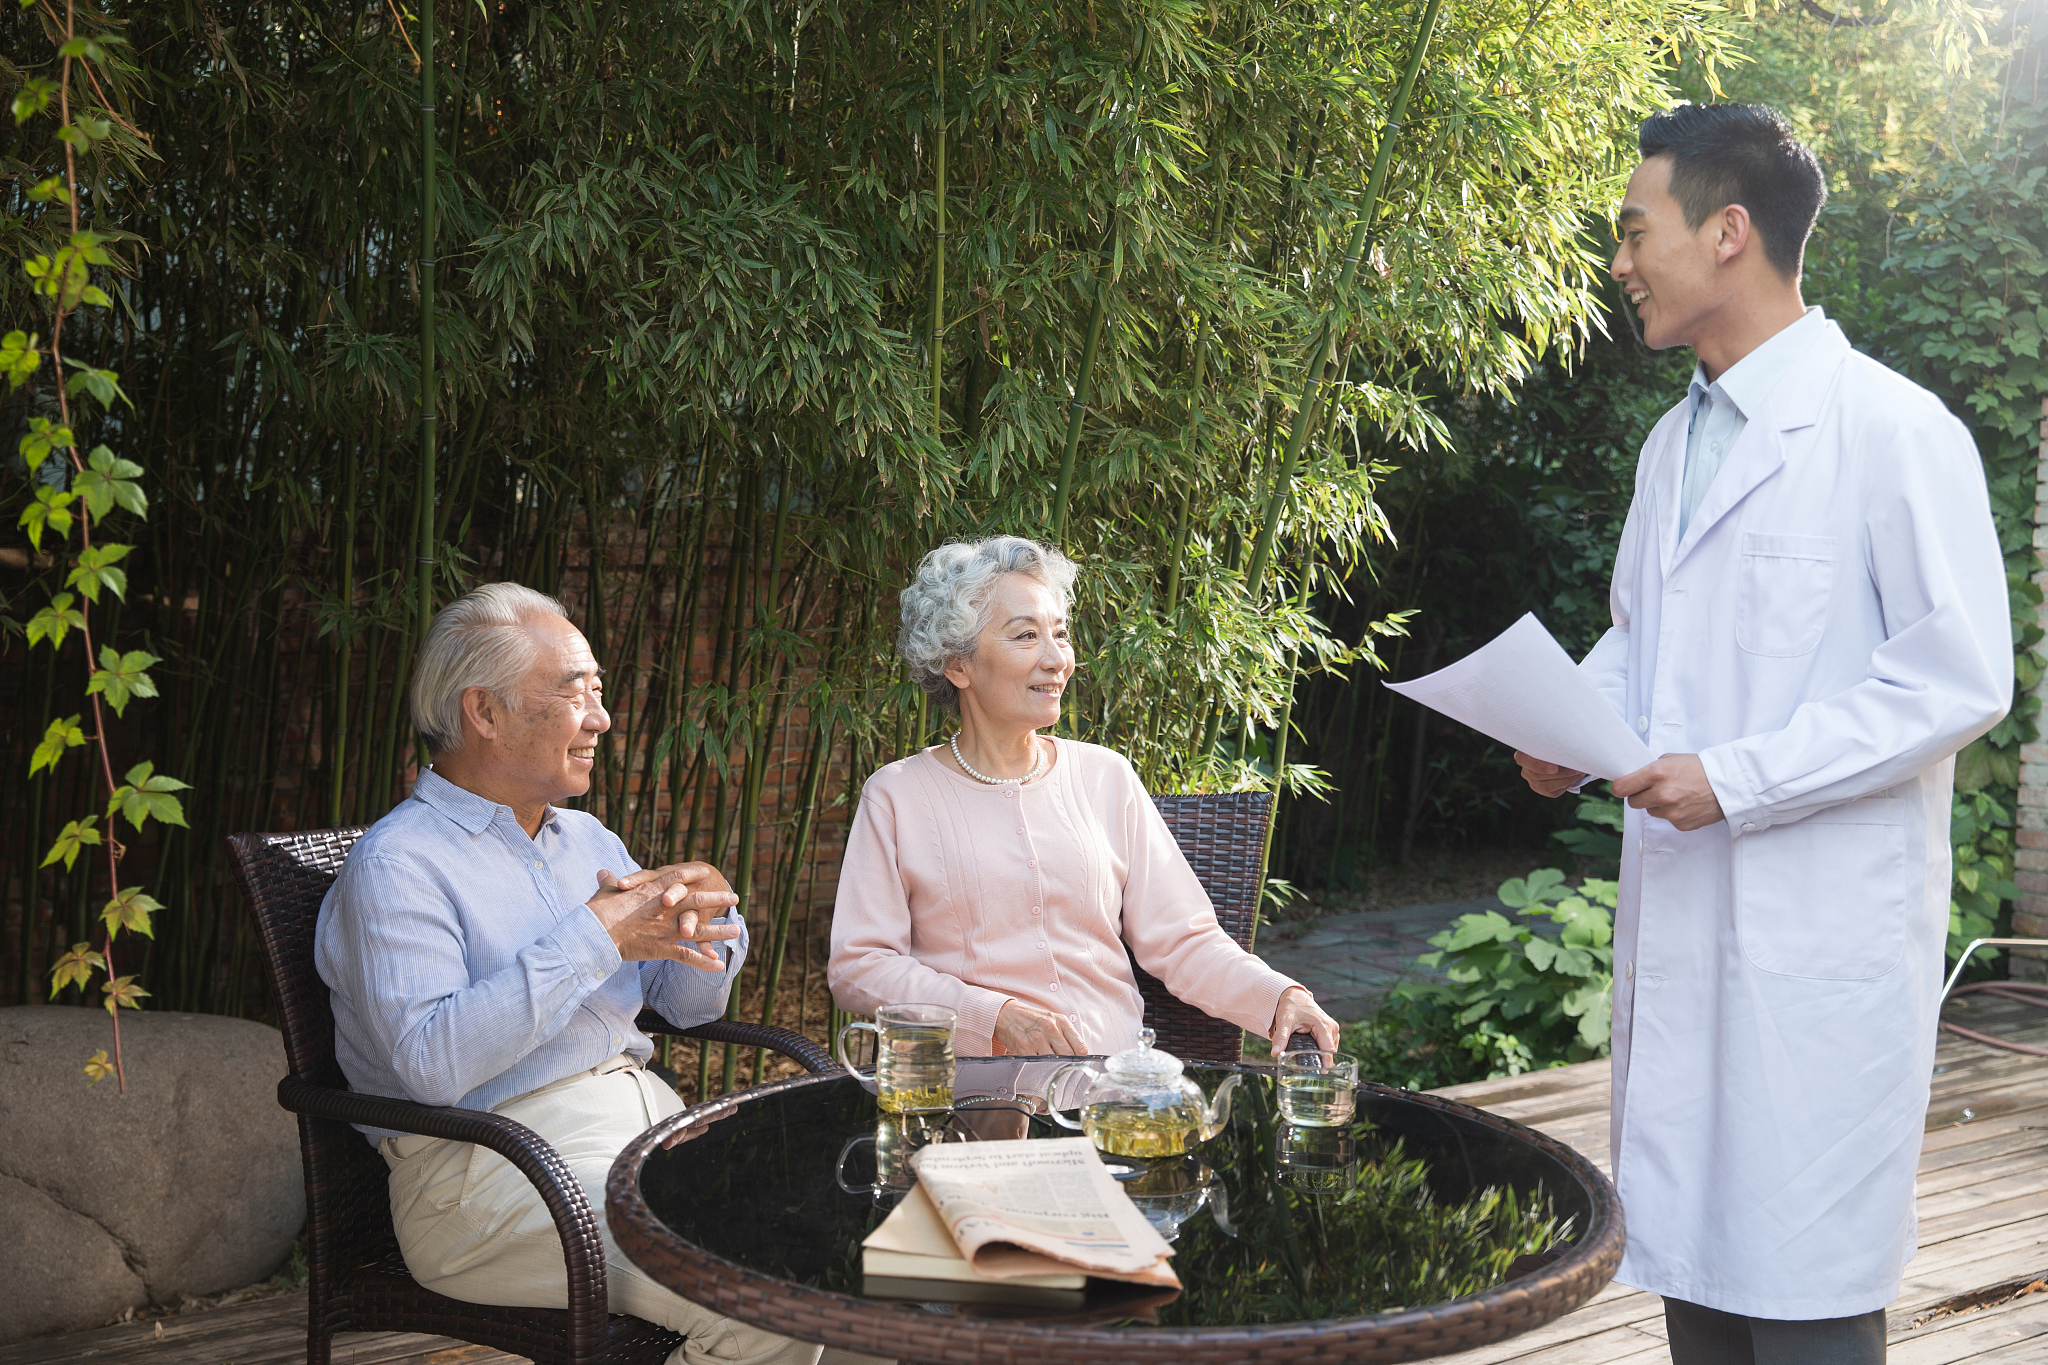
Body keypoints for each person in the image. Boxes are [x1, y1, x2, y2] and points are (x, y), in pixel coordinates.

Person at [1514, 104, 2011, 1364]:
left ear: (1726, 232)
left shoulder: (1893, 433)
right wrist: (1569, 720)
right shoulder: (1667, 446)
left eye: (1634, 231)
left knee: (1804, 1305)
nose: (1617, 261)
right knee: (1697, 1284)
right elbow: (1642, 637)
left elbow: (1958, 678)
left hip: (1810, 953)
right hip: (1687, 931)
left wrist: (1736, 779)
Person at [316, 583, 842, 1365]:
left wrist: (706, 929)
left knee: (863, 1250)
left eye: (598, 691)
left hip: (648, 1142)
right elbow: (429, 1064)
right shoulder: (398, 865)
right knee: (768, 1296)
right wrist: (596, 933)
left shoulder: (584, 836)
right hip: (490, 1178)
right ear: (484, 713)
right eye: (573, 693)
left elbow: (689, 1008)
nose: (600, 717)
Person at [829, 535, 1340, 1059]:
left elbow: (1183, 940)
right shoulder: (896, 796)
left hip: (1114, 1089)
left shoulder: (1106, 776)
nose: (1057, 660)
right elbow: (860, 966)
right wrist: (993, 1016)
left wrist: (1279, 996)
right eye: (1026, 636)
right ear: (957, 666)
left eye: (1060, 634)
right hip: (977, 1097)